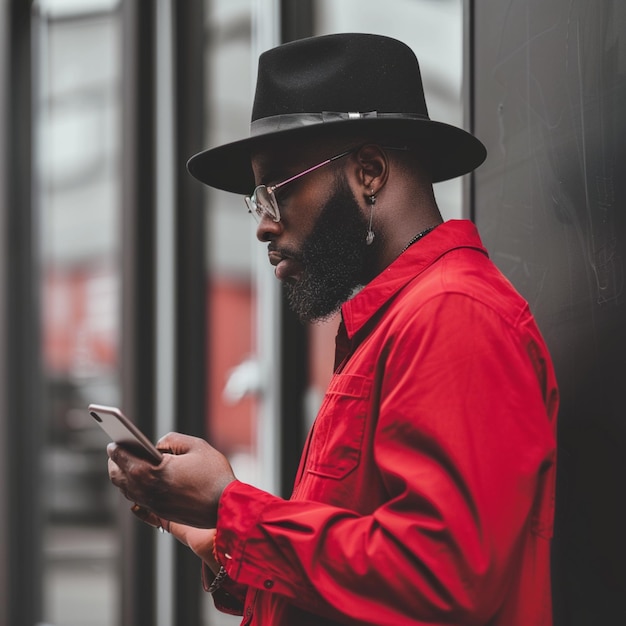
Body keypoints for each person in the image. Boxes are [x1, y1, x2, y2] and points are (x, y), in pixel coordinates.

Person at [107, 33, 558, 626]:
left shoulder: (453, 315)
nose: (265, 225)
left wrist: (231, 505)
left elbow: (442, 578)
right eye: (256, 200)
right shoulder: (398, 321)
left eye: (278, 190)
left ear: (368, 172)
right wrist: (219, 539)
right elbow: (360, 582)